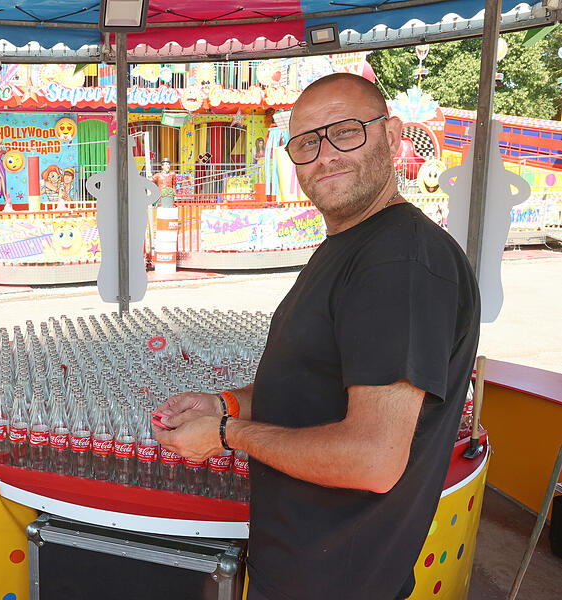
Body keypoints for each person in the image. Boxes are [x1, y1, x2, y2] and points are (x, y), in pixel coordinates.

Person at [154, 72, 480, 600]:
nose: (325, 156)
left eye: (346, 131)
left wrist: (225, 434)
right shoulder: (353, 244)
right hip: (302, 566)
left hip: (338, 581)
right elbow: (317, 387)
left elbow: (371, 459)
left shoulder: (400, 261)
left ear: (393, 137)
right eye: (307, 143)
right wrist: (225, 403)